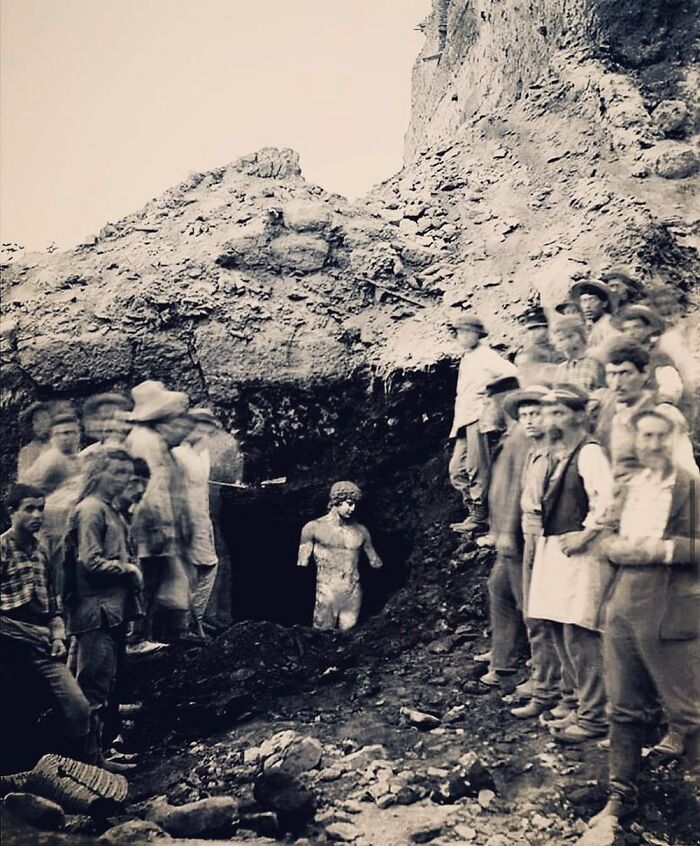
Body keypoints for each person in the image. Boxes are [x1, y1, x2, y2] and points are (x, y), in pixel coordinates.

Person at [590, 410, 700, 826]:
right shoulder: (629, 487)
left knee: (688, 712)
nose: (652, 444)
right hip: (623, 603)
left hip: (672, 603)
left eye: (661, 437)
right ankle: (620, 798)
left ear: (675, 440)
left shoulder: (691, 487)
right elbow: (606, 536)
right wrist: (612, 547)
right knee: (623, 708)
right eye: (645, 436)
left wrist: (663, 550)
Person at [528, 384, 614, 744]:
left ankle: (596, 717)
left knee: (580, 631)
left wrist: (585, 535)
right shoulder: (555, 453)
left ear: (578, 415)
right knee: (556, 624)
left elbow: (607, 503)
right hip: (555, 550)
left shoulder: (590, 452)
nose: (551, 419)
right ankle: (579, 705)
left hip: (583, 553)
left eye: (560, 412)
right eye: (549, 412)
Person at [63, 449, 143, 769]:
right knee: (91, 688)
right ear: (99, 473)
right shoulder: (91, 509)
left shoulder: (108, 509)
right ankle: (89, 763)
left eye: (127, 472)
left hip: (110, 611)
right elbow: (90, 560)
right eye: (117, 472)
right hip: (94, 613)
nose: (125, 479)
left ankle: (96, 755)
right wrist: (128, 571)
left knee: (101, 683)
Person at [0, 484, 91, 762]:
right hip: (6, 642)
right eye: (29, 509)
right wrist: (30, 633)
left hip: (40, 642)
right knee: (14, 717)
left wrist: (57, 637)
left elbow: (53, 608)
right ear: (11, 513)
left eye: (41, 509)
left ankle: (79, 769)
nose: (37, 515)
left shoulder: (42, 552)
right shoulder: (2, 548)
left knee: (78, 708)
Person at [478, 382, 541, 688]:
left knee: (529, 603)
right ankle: (503, 660)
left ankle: (541, 674)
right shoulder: (511, 435)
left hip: (516, 536)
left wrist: (506, 531)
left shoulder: (521, 439)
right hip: (506, 534)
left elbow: (518, 488)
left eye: (491, 400)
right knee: (499, 588)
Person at [125, 381, 194, 643]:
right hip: (149, 523)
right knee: (147, 581)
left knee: (160, 579)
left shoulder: (156, 441)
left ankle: (158, 632)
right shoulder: (146, 442)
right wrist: (159, 528)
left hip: (158, 521)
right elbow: (152, 490)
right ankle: (139, 636)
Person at [447, 313, 518, 535]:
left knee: (477, 468)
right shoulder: (467, 357)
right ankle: (474, 510)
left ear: (477, 334)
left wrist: (489, 394)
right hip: (464, 419)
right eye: (460, 332)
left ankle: (480, 517)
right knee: (456, 470)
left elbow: (513, 373)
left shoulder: (486, 355)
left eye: (467, 332)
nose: (463, 336)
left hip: (479, 417)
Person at [593, 339, 697, 486]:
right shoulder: (613, 415)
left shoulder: (664, 414)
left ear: (645, 373)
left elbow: (689, 472)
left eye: (625, 373)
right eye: (612, 374)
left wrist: (692, 508)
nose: (617, 383)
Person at [297, 481, 382, 631]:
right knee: (321, 635)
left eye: (355, 504)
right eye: (349, 503)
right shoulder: (314, 528)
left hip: (352, 590)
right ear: (337, 501)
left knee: (348, 638)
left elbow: (375, 562)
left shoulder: (361, 531)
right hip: (327, 589)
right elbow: (302, 563)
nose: (353, 508)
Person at [173, 407, 222, 638]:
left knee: (206, 567)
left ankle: (194, 620)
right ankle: (187, 624)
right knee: (197, 569)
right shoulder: (179, 455)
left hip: (201, 520)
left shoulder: (200, 453)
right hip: (186, 522)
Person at [615, 305, 684, 407]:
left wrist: (661, 402)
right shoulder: (623, 357)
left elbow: (671, 387)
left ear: (649, 329)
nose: (631, 333)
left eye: (637, 327)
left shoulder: (658, 356)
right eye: (626, 330)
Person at [23, 412, 82, 495]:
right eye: (57, 434)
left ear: (78, 434)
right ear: (52, 437)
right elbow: (28, 489)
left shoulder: (78, 458)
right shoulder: (52, 459)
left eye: (67, 433)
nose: (63, 438)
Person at [569, 279, 619, 362]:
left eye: (592, 300)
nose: (587, 306)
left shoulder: (610, 324)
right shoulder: (587, 325)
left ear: (604, 303)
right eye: (583, 301)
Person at [550, 316, 605, 391]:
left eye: (562, 339)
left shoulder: (595, 363)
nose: (559, 345)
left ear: (576, 337)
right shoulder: (561, 368)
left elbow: (604, 393)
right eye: (559, 340)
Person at [514, 310, 560, 386]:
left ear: (547, 329)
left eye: (537, 328)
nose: (532, 333)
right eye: (529, 330)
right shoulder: (522, 353)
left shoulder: (558, 350)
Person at [17, 402, 54, 479]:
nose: (40, 424)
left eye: (44, 418)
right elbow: (23, 481)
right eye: (36, 420)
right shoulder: (26, 452)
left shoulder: (61, 446)